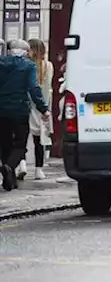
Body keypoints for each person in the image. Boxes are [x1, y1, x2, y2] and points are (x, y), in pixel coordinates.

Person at [0, 39, 49, 191]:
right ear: (24, 52)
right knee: (20, 144)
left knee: (5, 144)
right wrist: (43, 109)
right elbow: (34, 88)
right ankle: (9, 167)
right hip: (20, 110)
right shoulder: (29, 66)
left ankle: (10, 180)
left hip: (1, 110)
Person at [20, 39, 53, 181]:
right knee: (39, 139)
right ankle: (39, 170)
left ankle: (22, 165)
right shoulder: (49, 66)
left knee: (21, 138)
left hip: (26, 105)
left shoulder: (25, 66)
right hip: (42, 107)